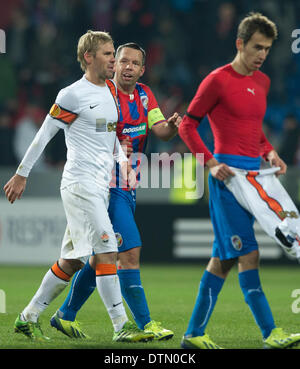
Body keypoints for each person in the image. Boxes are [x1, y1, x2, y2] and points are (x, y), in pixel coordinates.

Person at [3, 31, 154, 343]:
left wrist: (121, 160)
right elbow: (44, 135)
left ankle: (27, 317)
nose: (114, 60)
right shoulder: (72, 95)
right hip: (80, 184)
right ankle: (121, 326)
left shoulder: (110, 92)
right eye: (108, 54)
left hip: (100, 186)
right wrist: (21, 174)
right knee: (108, 249)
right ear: (89, 57)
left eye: (114, 54)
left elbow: (108, 133)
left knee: (72, 261)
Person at [178, 12, 300, 349]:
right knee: (249, 254)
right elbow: (187, 125)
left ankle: (193, 334)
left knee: (224, 258)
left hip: (256, 179)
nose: (262, 55)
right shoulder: (217, 80)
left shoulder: (262, 82)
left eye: (267, 49)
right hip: (228, 179)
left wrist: (269, 150)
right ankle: (270, 333)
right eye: (257, 47)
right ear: (240, 43)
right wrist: (211, 163)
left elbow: (252, 128)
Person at [50, 42, 181, 341]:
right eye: (123, 61)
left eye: (135, 63)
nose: (128, 67)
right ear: (115, 64)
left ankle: (64, 315)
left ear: (142, 69)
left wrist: (171, 127)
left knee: (99, 259)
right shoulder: (103, 94)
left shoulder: (146, 96)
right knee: (129, 252)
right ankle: (144, 323)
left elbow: (158, 128)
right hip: (105, 185)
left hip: (128, 184)